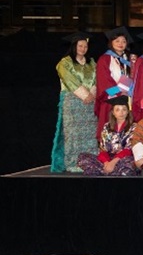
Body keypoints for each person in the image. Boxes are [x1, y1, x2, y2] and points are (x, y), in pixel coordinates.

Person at [52, 32, 99, 173]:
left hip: (90, 102)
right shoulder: (64, 62)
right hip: (72, 101)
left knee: (90, 133)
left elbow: (97, 79)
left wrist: (92, 93)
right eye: (80, 45)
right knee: (73, 134)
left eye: (85, 46)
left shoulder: (91, 62)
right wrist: (84, 95)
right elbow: (69, 80)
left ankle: (90, 161)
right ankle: (73, 162)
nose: (83, 48)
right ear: (74, 46)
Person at [77, 93, 138, 176]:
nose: (121, 112)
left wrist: (113, 163)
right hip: (108, 159)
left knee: (130, 164)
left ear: (128, 112)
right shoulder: (107, 126)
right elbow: (103, 149)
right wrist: (106, 163)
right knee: (82, 157)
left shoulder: (134, 126)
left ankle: (103, 172)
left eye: (124, 109)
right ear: (113, 112)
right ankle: (111, 172)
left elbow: (128, 150)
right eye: (117, 110)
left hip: (123, 159)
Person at [96, 27, 135, 132]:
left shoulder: (129, 60)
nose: (120, 43)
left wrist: (130, 92)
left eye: (123, 41)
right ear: (111, 42)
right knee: (110, 129)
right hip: (111, 99)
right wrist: (119, 93)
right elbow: (104, 81)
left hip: (128, 99)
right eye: (117, 41)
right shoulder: (105, 59)